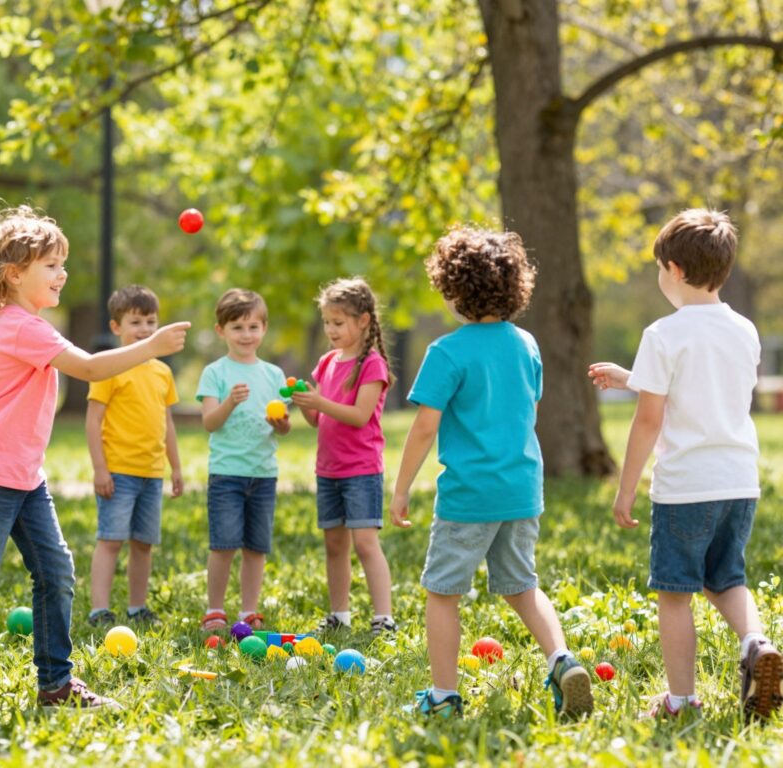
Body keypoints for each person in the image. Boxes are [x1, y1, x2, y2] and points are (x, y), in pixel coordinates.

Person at [0, 206, 189, 716]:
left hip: (22, 477)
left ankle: (56, 683)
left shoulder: (29, 325)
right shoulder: (18, 327)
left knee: (56, 572)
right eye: (51, 265)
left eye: (63, 264)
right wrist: (151, 345)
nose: (63, 275)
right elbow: (89, 366)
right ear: (15, 274)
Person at [390, 227, 592, 719]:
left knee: (442, 594)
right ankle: (562, 659)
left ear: (453, 289)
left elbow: (423, 430)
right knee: (523, 585)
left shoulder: (448, 352)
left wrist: (399, 490)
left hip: (468, 495)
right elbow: (531, 406)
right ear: (515, 287)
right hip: (522, 488)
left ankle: (442, 698)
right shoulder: (526, 344)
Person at [589, 208, 781, 720]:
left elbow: (651, 419)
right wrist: (632, 376)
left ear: (673, 269)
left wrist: (625, 490)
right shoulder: (743, 330)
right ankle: (756, 643)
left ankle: (679, 701)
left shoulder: (663, 334)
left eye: (658, 269)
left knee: (675, 594)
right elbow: (704, 387)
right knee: (727, 578)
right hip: (738, 481)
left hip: (685, 487)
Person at [291, 277, 396, 637]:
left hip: (361, 470)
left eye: (338, 323)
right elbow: (317, 419)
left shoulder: (372, 365)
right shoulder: (327, 362)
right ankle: (340, 614)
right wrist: (305, 404)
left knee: (365, 543)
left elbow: (359, 415)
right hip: (329, 468)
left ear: (363, 320)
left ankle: (384, 617)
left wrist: (319, 401)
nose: (331, 330)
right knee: (334, 544)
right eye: (327, 323)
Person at [85, 285, 182, 628]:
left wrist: (176, 468)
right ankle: (100, 608)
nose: (144, 329)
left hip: (151, 473)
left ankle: (137, 607)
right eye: (135, 321)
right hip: (118, 472)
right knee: (111, 540)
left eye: (150, 322)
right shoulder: (110, 368)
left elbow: (167, 422)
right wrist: (100, 469)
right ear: (116, 327)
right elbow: (93, 420)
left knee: (143, 544)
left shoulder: (162, 372)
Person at [197, 289, 290, 632]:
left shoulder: (274, 375)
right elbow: (209, 422)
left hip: (263, 473)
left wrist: (281, 424)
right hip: (227, 474)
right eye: (237, 327)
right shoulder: (215, 373)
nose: (246, 335)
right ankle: (215, 609)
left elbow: (283, 429)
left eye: (253, 326)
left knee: (256, 547)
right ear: (221, 331)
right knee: (223, 545)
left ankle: (249, 609)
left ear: (264, 329)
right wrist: (230, 403)